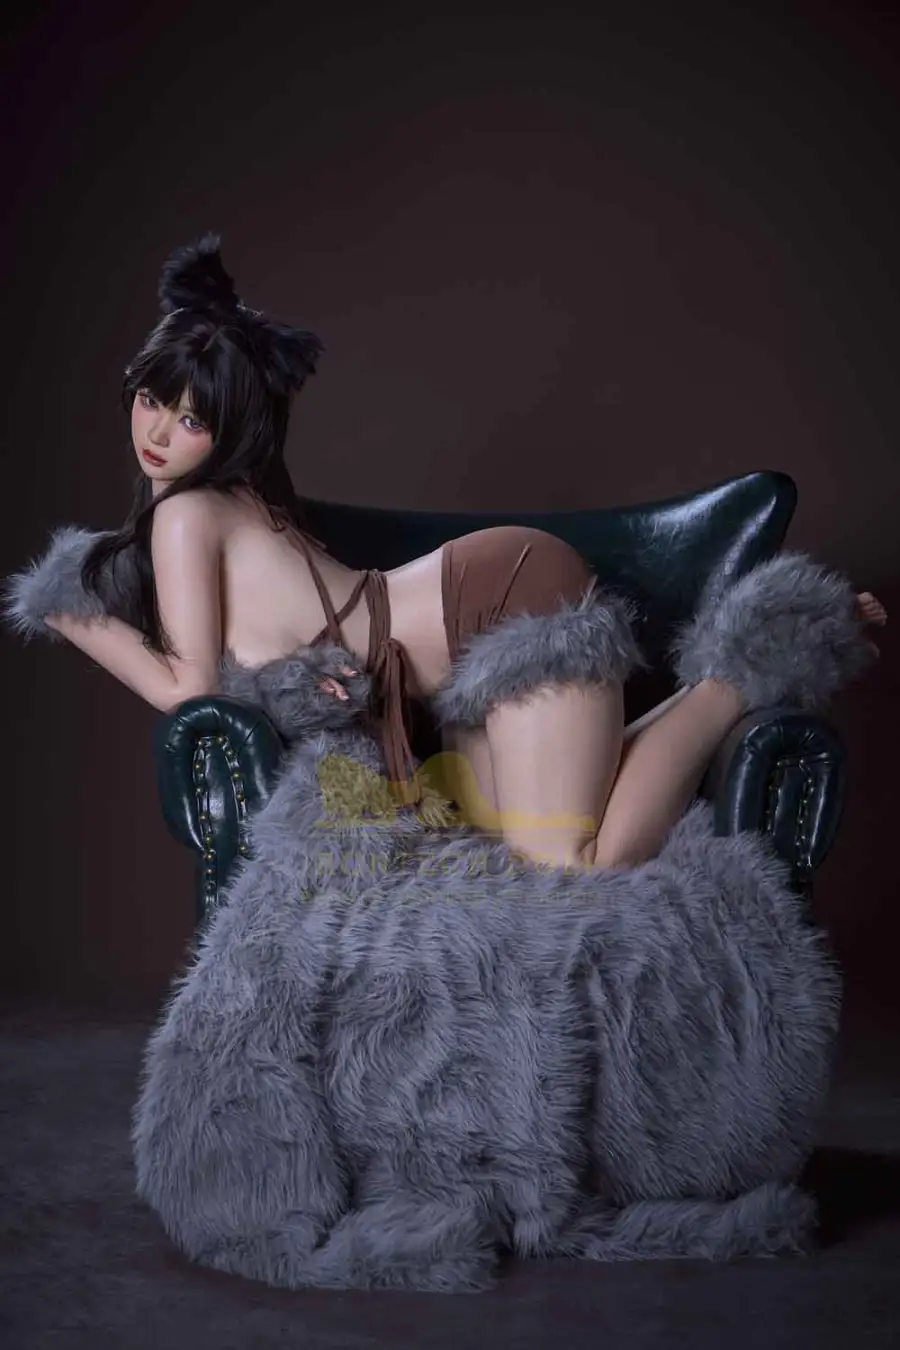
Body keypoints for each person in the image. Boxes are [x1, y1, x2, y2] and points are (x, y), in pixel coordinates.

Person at [11, 235, 889, 872]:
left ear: (229, 434)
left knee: (569, 863)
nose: (158, 432)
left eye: (191, 418)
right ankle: (709, 693)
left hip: (499, 602)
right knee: (517, 839)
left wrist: (67, 609)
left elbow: (190, 686)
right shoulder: (224, 502)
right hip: (468, 625)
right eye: (151, 399)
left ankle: (749, 662)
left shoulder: (187, 515)